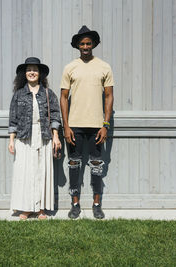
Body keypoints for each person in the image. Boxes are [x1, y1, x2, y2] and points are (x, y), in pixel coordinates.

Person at [60, 26, 114, 219]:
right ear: (77, 45)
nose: (85, 46)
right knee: (74, 164)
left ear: (93, 45)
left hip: (97, 126)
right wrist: (66, 126)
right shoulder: (70, 67)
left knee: (97, 165)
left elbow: (109, 96)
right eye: (82, 43)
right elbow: (63, 98)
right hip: (74, 126)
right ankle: (75, 204)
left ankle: (97, 204)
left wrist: (105, 125)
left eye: (88, 43)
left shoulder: (104, 67)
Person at [8, 57, 61, 220]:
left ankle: (40, 209)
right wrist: (11, 140)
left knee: (41, 171)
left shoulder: (47, 93)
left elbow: (55, 115)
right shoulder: (18, 95)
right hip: (24, 137)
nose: (32, 72)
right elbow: (13, 118)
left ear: (40, 74)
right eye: (29, 69)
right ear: (25, 73)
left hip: (43, 135)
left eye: (35, 70)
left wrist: (56, 137)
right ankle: (26, 208)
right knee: (25, 172)